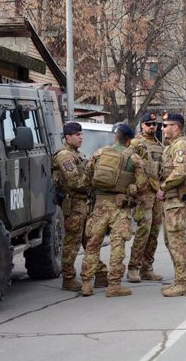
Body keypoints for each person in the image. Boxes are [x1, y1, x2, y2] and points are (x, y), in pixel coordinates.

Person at [80, 124, 146, 297]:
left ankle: (86, 283)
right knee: (118, 245)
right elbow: (142, 185)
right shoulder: (134, 158)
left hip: (99, 206)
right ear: (129, 140)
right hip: (120, 208)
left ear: (115, 137)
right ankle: (114, 285)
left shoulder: (99, 153)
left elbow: (86, 178)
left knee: (93, 244)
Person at [51, 122, 107, 291]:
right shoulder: (65, 156)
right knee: (72, 242)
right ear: (68, 137)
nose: (81, 137)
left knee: (89, 239)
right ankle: (68, 278)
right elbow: (75, 181)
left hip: (83, 204)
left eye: (81, 134)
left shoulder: (77, 154)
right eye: (77, 135)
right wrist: (95, 183)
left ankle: (101, 273)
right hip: (74, 204)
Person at [156, 112, 186, 297]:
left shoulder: (180, 144)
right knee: (170, 241)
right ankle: (179, 280)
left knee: (177, 241)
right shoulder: (170, 146)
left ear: (176, 127)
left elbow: (182, 170)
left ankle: (183, 283)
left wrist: (163, 187)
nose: (162, 129)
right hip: (170, 201)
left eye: (166, 125)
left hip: (176, 201)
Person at [127, 112, 165, 283]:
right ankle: (133, 267)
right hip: (143, 194)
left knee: (154, 232)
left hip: (157, 194)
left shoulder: (159, 144)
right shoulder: (135, 144)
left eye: (154, 124)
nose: (152, 127)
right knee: (143, 230)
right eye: (148, 124)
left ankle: (147, 267)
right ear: (142, 125)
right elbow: (128, 167)